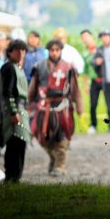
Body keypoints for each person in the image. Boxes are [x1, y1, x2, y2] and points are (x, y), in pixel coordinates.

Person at [28, 39, 83, 176]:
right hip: (44, 106)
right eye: (52, 50)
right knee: (44, 137)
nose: (54, 53)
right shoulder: (39, 66)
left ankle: (60, 166)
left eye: (57, 50)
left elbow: (75, 88)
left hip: (62, 107)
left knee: (61, 136)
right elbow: (33, 87)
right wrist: (29, 104)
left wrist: (79, 107)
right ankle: (53, 158)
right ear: (48, 51)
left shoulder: (68, 67)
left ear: (61, 51)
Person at [0, 39, 30, 182]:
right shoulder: (9, 67)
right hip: (15, 110)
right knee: (15, 144)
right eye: (17, 50)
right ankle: (12, 176)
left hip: (21, 109)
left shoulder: (17, 67)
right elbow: (7, 92)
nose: (20, 53)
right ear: (10, 52)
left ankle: (16, 176)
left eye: (23, 50)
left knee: (19, 144)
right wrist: (13, 111)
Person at [79, 29, 103, 134]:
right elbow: (85, 72)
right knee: (93, 104)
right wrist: (85, 85)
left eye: (86, 36)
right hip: (94, 81)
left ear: (91, 36)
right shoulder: (85, 54)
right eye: (83, 38)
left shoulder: (101, 48)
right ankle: (93, 125)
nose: (85, 39)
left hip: (105, 80)